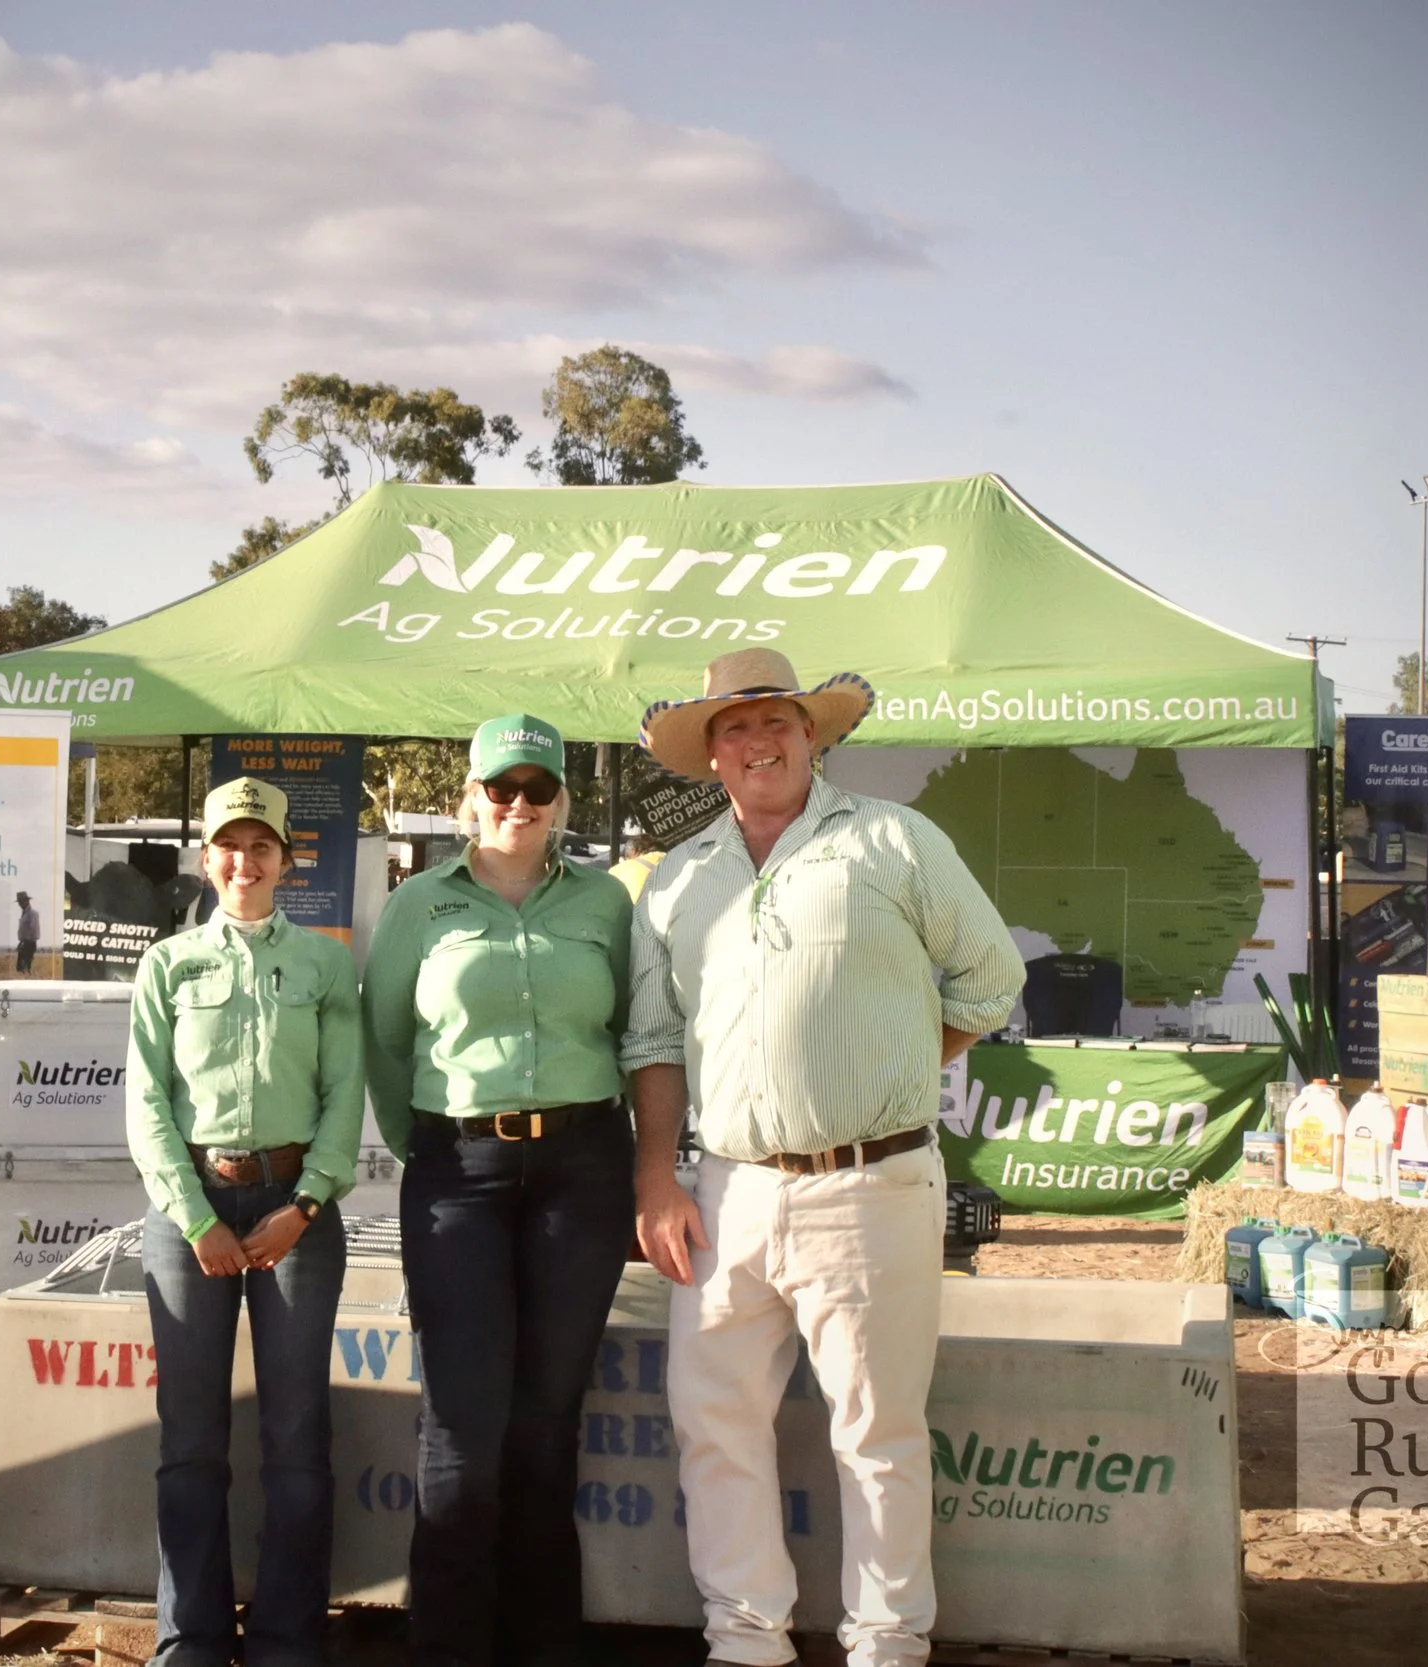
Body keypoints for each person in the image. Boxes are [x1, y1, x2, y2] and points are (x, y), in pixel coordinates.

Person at [622, 648, 1025, 1667]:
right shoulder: (677, 877)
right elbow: (654, 1039)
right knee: (712, 1421)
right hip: (727, 1190)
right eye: (735, 727)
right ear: (712, 752)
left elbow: (990, 976)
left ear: (812, 734)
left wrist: (894, 1063)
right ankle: (744, 1638)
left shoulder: (894, 838)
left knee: (876, 1433)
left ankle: (887, 1644)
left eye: (777, 721)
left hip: (871, 1184)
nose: (758, 741)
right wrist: (656, 1176)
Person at [361, 713, 634, 1667]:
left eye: (538, 788)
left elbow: (636, 1031)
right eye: (501, 788)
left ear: (562, 800)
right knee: (461, 1430)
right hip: (460, 1178)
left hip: (583, 1170)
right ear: (471, 796)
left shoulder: (605, 903)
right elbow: (386, 1041)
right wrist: (433, 1150)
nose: (519, 804)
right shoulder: (418, 905)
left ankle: (544, 1647)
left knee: (547, 1425)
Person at [126, 777, 365, 1667]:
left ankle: (286, 1641)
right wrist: (196, 1220)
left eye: (261, 845)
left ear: (286, 861)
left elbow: (345, 1092)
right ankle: (189, 1638)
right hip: (190, 1213)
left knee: (297, 1438)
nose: (244, 860)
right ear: (206, 858)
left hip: (294, 1211)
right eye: (228, 844)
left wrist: (304, 1205)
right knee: (190, 1439)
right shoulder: (168, 965)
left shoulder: (325, 966)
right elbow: (146, 1102)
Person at [14, 889, 41, 974]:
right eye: (19, 902)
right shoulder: (24, 914)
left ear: (26, 901)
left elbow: (33, 929)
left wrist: (25, 942)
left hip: (28, 943)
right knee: (21, 968)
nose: (19, 904)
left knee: (24, 968)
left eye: (21, 901)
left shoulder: (32, 914)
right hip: (24, 943)